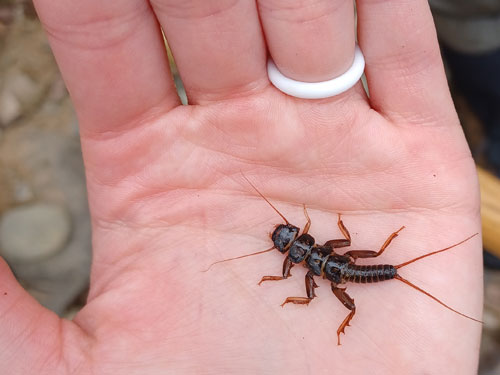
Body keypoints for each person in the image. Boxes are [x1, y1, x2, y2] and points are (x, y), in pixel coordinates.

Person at [1, 1, 482, 373]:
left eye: (295, 239)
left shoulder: (315, 264)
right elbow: (325, 261)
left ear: (301, 244)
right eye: (296, 240)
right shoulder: (323, 253)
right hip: (352, 269)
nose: (295, 241)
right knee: (350, 270)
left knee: (340, 279)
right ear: (302, 243)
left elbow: (311, 285)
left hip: (354, 270)